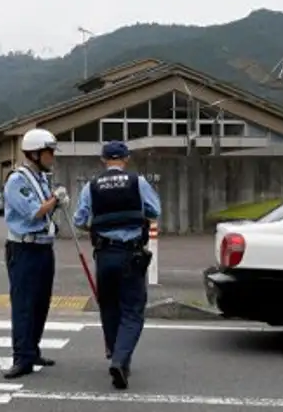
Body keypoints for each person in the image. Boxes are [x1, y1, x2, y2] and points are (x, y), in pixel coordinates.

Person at [72, 140, 161, 390]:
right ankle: (121, 360)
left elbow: (80, 219)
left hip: (104, 255)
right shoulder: (137, 182)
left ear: (103, 160)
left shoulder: (91, 186)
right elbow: (155, 211)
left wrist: (100, 226)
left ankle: (116, 354)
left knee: (109, 307)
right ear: (126, 159)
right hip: (131, 254)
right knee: (132, 309)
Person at [2, 128, 70, 379]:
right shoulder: (17, 180)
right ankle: (21, 357)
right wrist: (56, 200)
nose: (52, 156)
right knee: (24, 304)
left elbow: (47, 209)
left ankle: (33, 349)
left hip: (43, 247)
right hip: (23, 249)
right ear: (34, 153)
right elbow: (34, 212)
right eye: (49, 151)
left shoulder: (41, 178)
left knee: (41, 302)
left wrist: (55, 201)